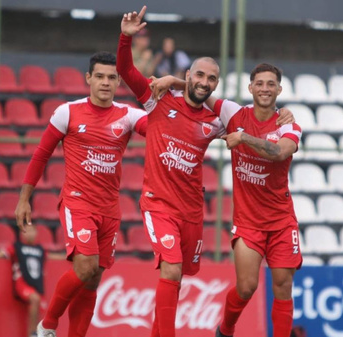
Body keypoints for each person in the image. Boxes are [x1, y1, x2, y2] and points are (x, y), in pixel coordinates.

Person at [118, 8, 294, 337]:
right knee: (170, 269)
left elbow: (257, 119)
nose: (204, 83)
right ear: (190, 74)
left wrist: (284, 113)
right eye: (198, 76)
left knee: (178, 276)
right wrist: (126, 36)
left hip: (191, 210)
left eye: (211, 79)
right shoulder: (158, 100)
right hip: (157, 203)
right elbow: (126, 70)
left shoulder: (218, 119)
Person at [150, 63, 301, 337]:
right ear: (250, 87)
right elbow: (199, 90)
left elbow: (279, 153)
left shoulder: (289, 125)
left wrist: (243, 137)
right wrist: (173, 80)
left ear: (279, 89)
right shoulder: (233, 112)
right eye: (260, 83)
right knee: (246, 287)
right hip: (248, 223)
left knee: (283, 284)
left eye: (271, 84)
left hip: (281, 221)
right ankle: (226, 328)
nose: (265, 89)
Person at [15, 51, 148, 337]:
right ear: (88, 78)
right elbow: (41, 154)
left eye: (112, 77)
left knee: (92, 281)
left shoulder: (128, 115)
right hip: (78, 203)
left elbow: (158, 131)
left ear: (118, 83)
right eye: (99, 76)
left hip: (110, 208)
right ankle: (47, 325)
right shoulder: (68, 112)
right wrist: (24, 199)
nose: (105, 82)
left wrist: (162, 101)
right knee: (85, 267)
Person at [0, 225, 65, 337]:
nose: (30, 234)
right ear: (22, 234)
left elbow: (53, 256)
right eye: (27, 231)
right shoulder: (17, 247)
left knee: (40, 307)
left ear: (36, 233)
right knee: (35, 299)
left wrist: (71, 257)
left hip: (36, 285)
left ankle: (38, 332)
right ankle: (33, 334)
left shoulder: (40, 250)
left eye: (32, 231)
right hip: (22, 283)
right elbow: (0, 254)